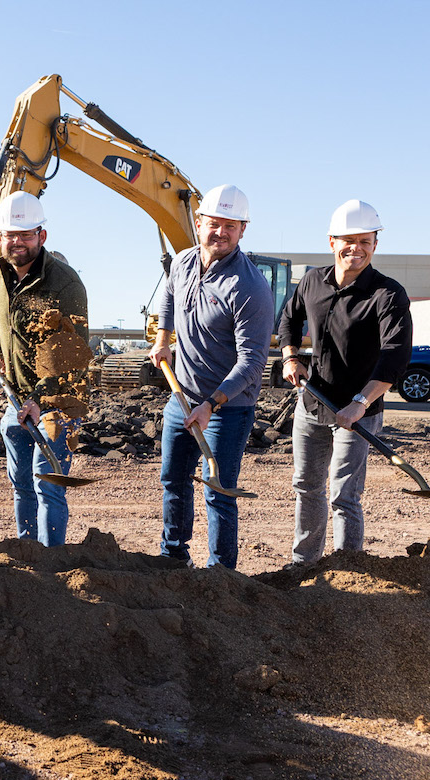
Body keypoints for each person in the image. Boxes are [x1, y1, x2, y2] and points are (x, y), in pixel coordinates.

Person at [278, 200, 412, 562]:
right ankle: (303, 565)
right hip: (312, 402)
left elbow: (395, 355)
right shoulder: (311, 281)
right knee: (306, 487)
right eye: (348, 240)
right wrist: (291, 356)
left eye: (365, 241)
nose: (357, 248)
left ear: (375, 244)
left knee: (343, 494)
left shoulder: (387, 293)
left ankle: (347, 567)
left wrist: (361, 402)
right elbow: (288, 322)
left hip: (358, 412)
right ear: (332, 242)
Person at [149, 184, 272, 569]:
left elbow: (253, 361)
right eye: (214, 224)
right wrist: (163, 338)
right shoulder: (184, 261)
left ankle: (221, 573)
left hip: (227, 408)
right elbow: (169, 293)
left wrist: (210, 404)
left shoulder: (249, 286)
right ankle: (174, 556)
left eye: (230, 226)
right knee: (174, 480)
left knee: (218, 490)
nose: (220, 232)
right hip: (180, 396)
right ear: (198, 222)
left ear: (242, 230)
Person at [0, 191, 88, 546]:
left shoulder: (65, 283)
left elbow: (72, 356)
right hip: (15, 401)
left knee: (48, 486)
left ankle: (52, 565)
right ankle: (28, 556)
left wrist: (39, 400)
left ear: (41, 237)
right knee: (22, 487)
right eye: (10, 235)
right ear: (0, 238)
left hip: (56, 404)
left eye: (25, 234)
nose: (17, 242)